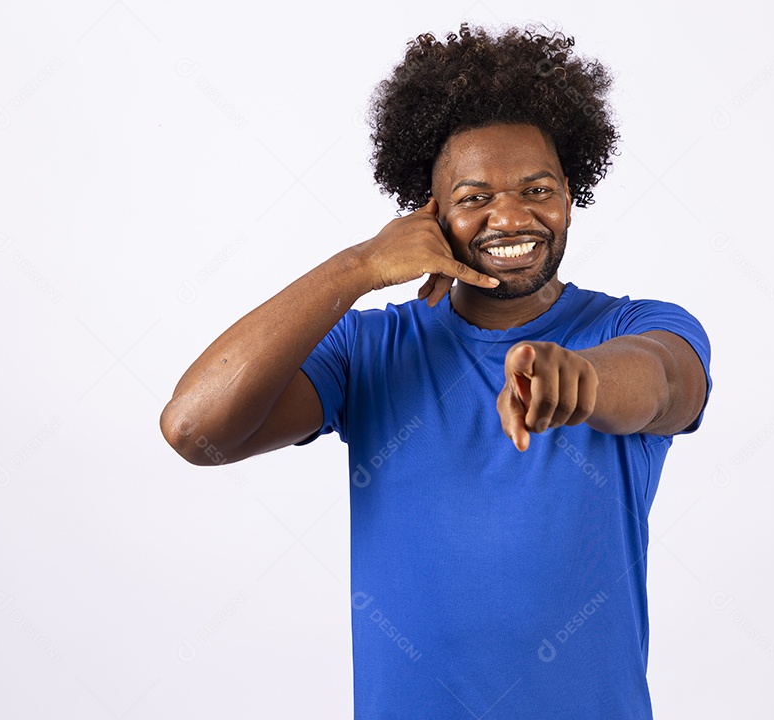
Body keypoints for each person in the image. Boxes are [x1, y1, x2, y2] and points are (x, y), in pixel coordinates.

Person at [161, 23, 712, 720]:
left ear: (571, 194)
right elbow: (192, 427)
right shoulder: (368, 351)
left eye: (537, 188)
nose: (510, 215)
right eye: (475, 196)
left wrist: (580, 379)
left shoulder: (638, 328)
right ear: (432, 215)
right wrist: (359, 266)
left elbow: (663, 383)